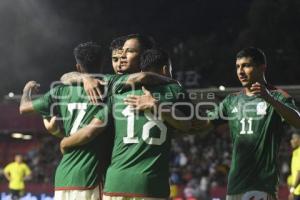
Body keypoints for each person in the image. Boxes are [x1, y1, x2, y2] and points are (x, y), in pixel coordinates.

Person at [59, 48, 192, 200]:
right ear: (166, 69)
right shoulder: (175, 90)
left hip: (115, 183)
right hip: (152, 184)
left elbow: (66, 78)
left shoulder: (115, 90)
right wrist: (160, 104)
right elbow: (187, 125)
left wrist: (65, 142)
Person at [208, 47, 300, 200]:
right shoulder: (231, 100)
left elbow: (298, 120)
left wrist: (269, 99)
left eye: (246, 65)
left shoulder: (278, 96)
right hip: (235, 185)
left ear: (262, 68)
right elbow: (203, 124)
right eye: (238, 66)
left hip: (262, 185)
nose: (240, 71)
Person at [288, 132, 300, 200]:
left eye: (292, 138)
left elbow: (299, 172)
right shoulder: (295, 152)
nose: (291, 141)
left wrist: (292, 190)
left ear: (298, 139)